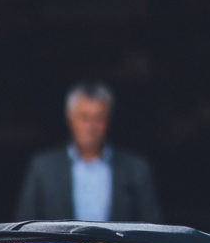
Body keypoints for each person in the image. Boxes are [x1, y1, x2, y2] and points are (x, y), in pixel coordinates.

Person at [14, 83, 163, 223]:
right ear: (69, 118)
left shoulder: (136, 169)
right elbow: (24, 227)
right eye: (84, 118)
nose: (91, 127)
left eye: (98, 118)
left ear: (108, 120)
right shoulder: (43, 168)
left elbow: (152, 230)